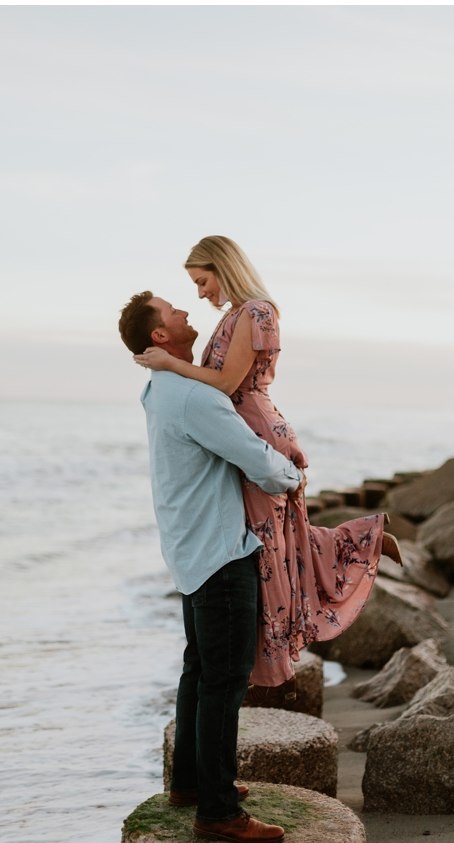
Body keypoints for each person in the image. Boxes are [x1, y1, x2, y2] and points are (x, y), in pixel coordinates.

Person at [133, 236, 402, 691]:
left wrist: (171, 366)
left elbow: (223, 384)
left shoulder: (257, 312)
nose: (199, 294)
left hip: (257, 430)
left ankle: (360, 545)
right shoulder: (233, 317)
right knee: (281, 541)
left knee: (274, 546)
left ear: (223, 267)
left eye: (201, 281)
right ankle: (363, 539)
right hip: (246, 430)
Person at [119, 289, 303, 843]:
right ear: (160, 336)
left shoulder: (160, 388)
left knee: (199, 670)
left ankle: (191, 783)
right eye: (173, 311)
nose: (185, 312)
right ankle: (218, 812)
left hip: (189, 548)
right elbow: (259, 463)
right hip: (222, 552)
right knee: (223, 682)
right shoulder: (195, 398)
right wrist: (293, 473)